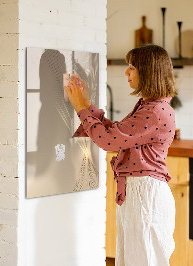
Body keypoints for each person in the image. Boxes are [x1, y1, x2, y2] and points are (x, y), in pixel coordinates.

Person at [64, 44, 177, 266]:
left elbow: (108, 141)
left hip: (145, 195)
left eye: (132, 67)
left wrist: (80, 108)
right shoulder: (150, 106)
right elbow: (116, 134)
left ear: (148, 71)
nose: (126, 72)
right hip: (139, 193)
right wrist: (87, 104)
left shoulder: (154, 111)